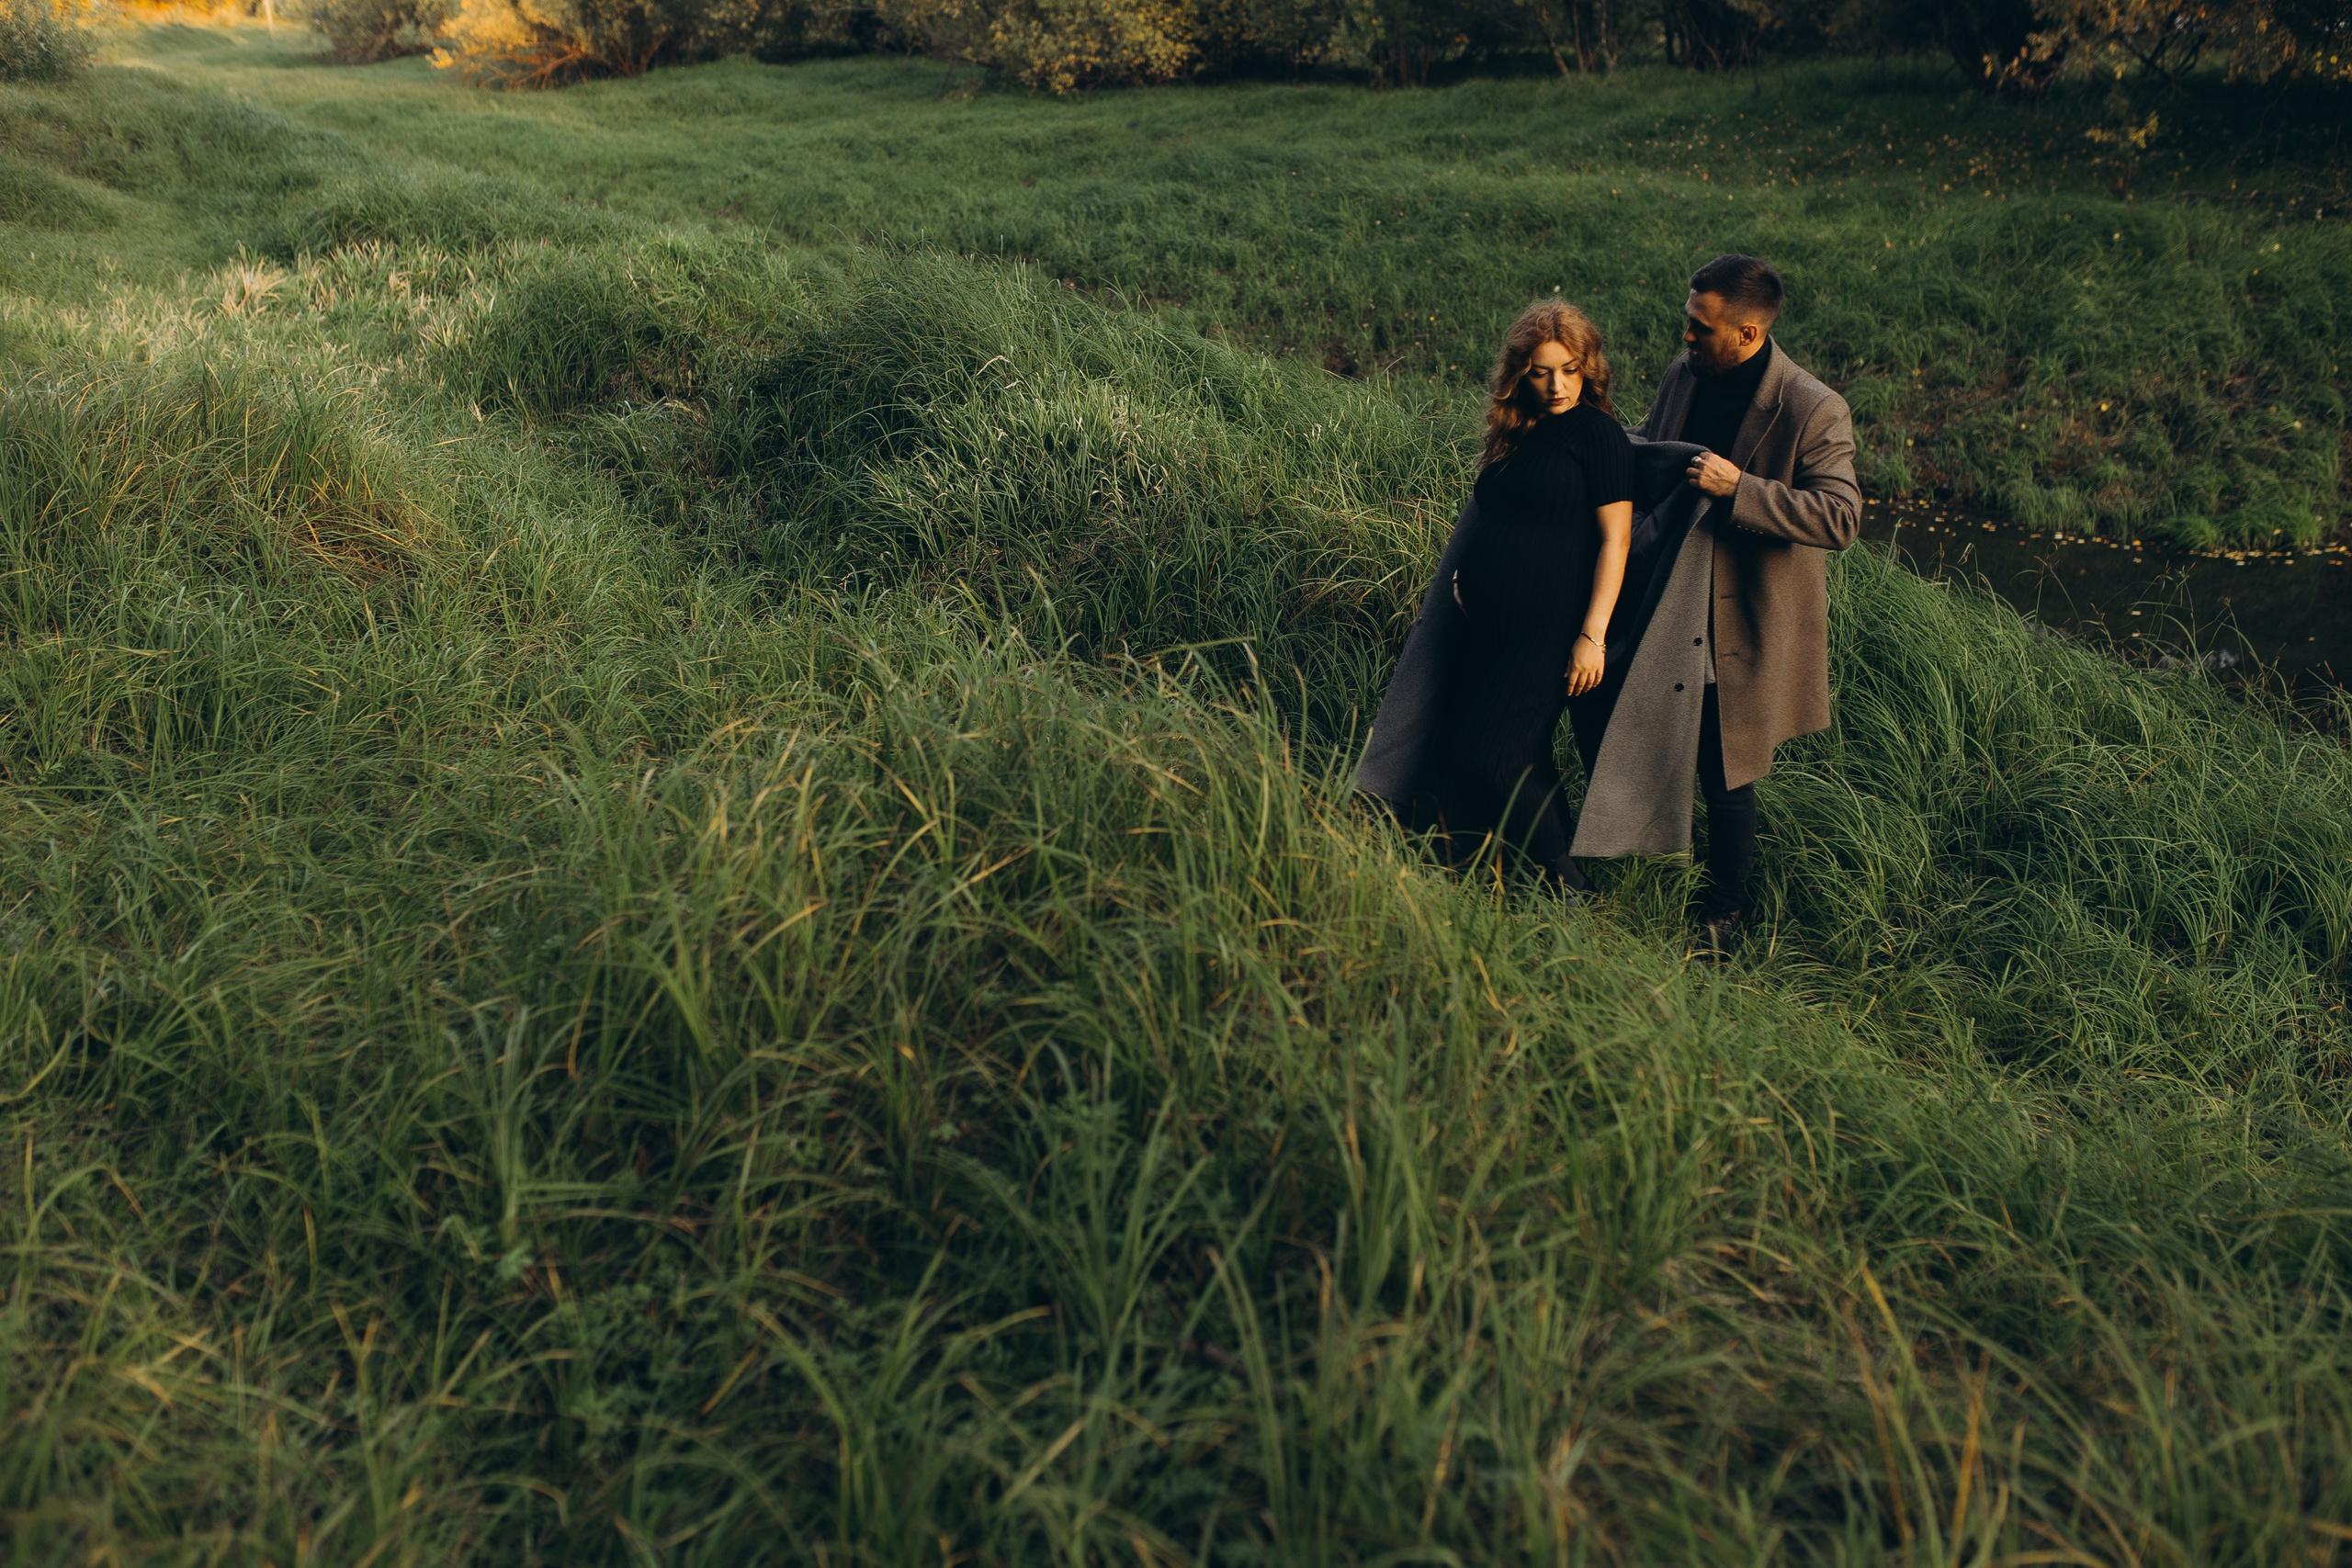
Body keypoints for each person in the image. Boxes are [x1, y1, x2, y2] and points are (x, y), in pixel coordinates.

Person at [1620, 254, 1860, 955]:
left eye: (1701, 326)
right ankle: (1640, 853)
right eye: (1689, 320)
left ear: (1748, 334)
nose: (1686, 335)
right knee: (1641, 721)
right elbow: (1654, 446)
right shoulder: (1685, 371)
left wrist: (1741, 490)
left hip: (1742, 612)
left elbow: (1841, 517)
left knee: (1726, 765)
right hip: (1666, 587)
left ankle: (1724, 909)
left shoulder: (1814, 407)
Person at [1356, 300, 1634, 897]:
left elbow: (1616, 541)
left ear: (1587, 369)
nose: (1556, 386)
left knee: (1495, 753)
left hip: (1548, 628)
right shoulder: (1521, 433)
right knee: (1492, 746)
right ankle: (1477, 865)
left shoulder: (1597, 433)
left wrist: (1593, 635)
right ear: (1520, 373)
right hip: (1486, 623)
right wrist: (1467, 580)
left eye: (1569, 370)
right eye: (1541, 372)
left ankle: (1569, 885)